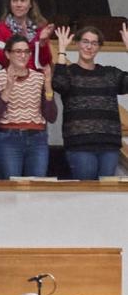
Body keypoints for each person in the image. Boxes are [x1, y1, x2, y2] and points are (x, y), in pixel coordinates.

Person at [49, 26, 128, 180]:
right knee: (85, 194)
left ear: (99, 47)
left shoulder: (110, 73)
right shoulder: (69, 73)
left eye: (94, 43)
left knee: (105, 195)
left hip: (108, 145)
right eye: (85, 42)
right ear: (77, 44)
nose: (89, 47)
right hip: (80, 145)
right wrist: (62, 50)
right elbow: (58, 84)